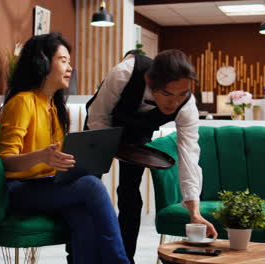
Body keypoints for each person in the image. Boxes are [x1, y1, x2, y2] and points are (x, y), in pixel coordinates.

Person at [0, 32, 130, 264]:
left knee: (83, 215)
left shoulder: (55, 109)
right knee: (91, 185)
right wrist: (41, 157)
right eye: (63, 60)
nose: (70, 68)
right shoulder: (22, 102)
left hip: (46, 185)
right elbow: (4, 161)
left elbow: (55, 159)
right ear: (43, 63)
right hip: (18, 190)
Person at [85, 49, 218, 263]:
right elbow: (98, 116)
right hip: (102, 125)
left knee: (130, 196)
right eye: (167, 94)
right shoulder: (124, 73)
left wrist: (194, 210)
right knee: (88, 189)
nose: (174, 103)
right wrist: (108, 151)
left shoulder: (187, 106)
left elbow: (189, 155)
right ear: (149, 80)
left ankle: (124, 259)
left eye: (182, 94)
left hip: (137, 135)